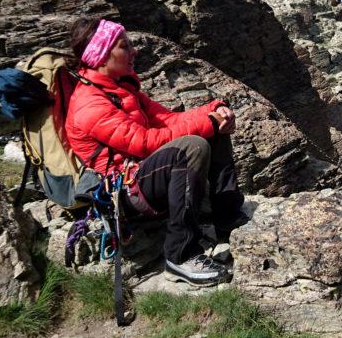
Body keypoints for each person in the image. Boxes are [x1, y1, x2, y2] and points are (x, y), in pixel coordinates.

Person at [65, 17, 247, 286]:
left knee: (211, 130)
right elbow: (145, 142)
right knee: (192, 146)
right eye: (124, 46)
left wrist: (214, 111)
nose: (133, 51)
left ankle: (226, 217)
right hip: (125, 192)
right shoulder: (89, 104)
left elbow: (168, 119)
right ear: (102, 55)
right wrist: (205, 124)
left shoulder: (121, 90)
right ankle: (180, 255)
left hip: (144, 175)